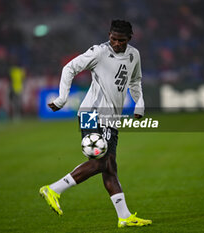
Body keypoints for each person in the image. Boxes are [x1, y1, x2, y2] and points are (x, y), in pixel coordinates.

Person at [39, 19, 152, 228]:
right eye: (113, 39)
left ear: (129, 39)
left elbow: (135, 81)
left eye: (121, 40)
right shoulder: (98, 52)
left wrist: (140, 103)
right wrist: (63, 98)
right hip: (91, 114)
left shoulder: (134, 55)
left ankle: (124, 216)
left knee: (110, 167)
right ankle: (54, 189)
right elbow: (69, 68)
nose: (116, 43)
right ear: (109, 35)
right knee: (101, 161)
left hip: (111, 119)